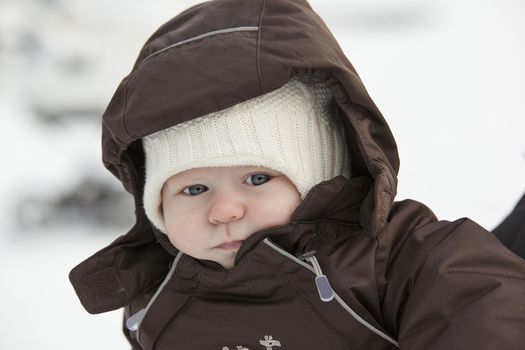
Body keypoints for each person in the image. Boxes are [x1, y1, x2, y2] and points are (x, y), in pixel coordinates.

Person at [69, 0, 525, 349]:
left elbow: (480, 310)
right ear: (157, 208)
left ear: (320, 176)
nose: (223, 209)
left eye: (257, 178)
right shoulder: (154, 300)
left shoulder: (395, 259)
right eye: (194, 188)